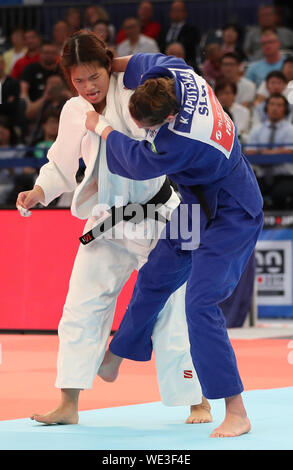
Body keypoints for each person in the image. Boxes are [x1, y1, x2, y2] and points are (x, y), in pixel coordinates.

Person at [16, 31, 210, 426]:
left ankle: (198, 400)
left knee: (176, 311)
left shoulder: (138, 90)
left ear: (109, 66)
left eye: (95, 76)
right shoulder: (73, 111)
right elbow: (61, 163)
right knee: (80, 307)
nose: (88, 87)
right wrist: (39, 190)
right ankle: (68, 403)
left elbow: (176, 76)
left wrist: (123, 66)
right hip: (107, 220)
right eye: (78, 80)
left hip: (162, 219)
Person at [85, 52, 263, 437]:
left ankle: (236, 409)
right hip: (196, 204)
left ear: (167, 118)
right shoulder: (176, 74)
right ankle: (119, 354)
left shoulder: (181, 139)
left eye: (142, 123)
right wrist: (104, 62)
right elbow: (151, 59)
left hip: (231, 212)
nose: (134, 125)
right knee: (156, 276)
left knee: (199, 302)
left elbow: (135, 162)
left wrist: (103, 130)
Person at [245, 93, 293, 209]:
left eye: (279, 105)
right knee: (248, 191)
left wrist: (262, 153)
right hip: (261, 176)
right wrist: (278, 151)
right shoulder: (256, 130)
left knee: (280, 193)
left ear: (285, 109)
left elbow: (289, 152)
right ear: (267, 108)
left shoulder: (291, 130)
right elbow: (249, 153)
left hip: (284, 177)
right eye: (272, 104)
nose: (275, 108)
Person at [19, 41, 62, 121]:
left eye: (53, 53)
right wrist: (45, 96)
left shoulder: (63, 70)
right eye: (46, 52)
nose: (49, 55)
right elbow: (23, 93)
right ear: (40, 53)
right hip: (36, 106)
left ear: (57, 54)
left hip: (62, 106)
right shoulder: (30, 69)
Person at [215, 79, 250, 143]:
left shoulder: (244, 111)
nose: (224, 97)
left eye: (227, 93)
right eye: (221, 93)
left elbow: (239, 131)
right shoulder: (213, 111)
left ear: (234, 95)